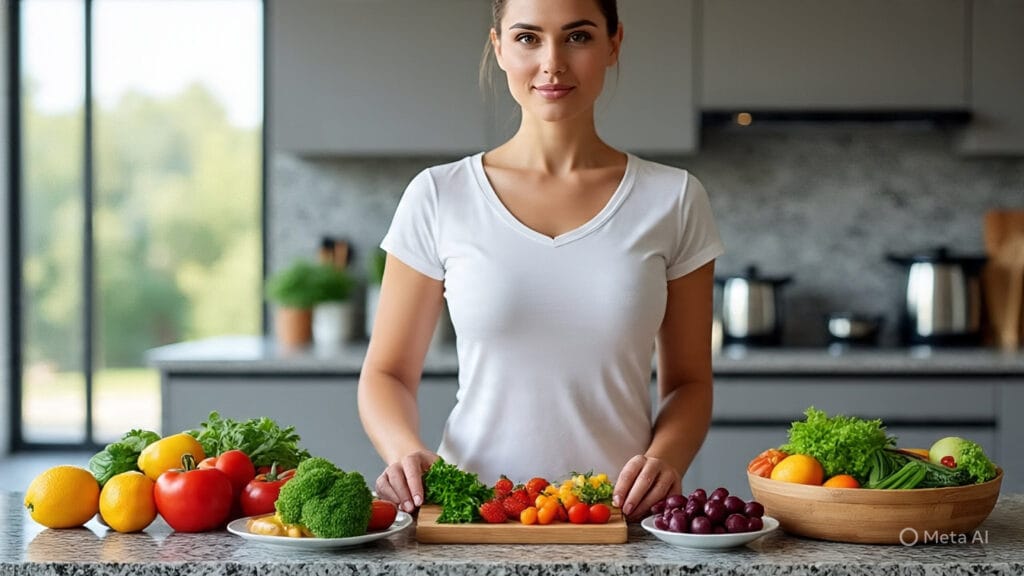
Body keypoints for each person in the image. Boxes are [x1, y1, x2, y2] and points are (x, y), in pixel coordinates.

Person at [357, 0, 723, 522]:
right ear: (499, 47)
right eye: (528, 38)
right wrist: (403, 451)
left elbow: (689, 382)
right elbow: (387, 372)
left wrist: (665, 461)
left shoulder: (674, 198)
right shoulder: (440, 195)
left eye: (578, 37)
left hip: (613, 519)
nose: (552, 62)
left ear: (614, 43)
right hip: (470, 514)